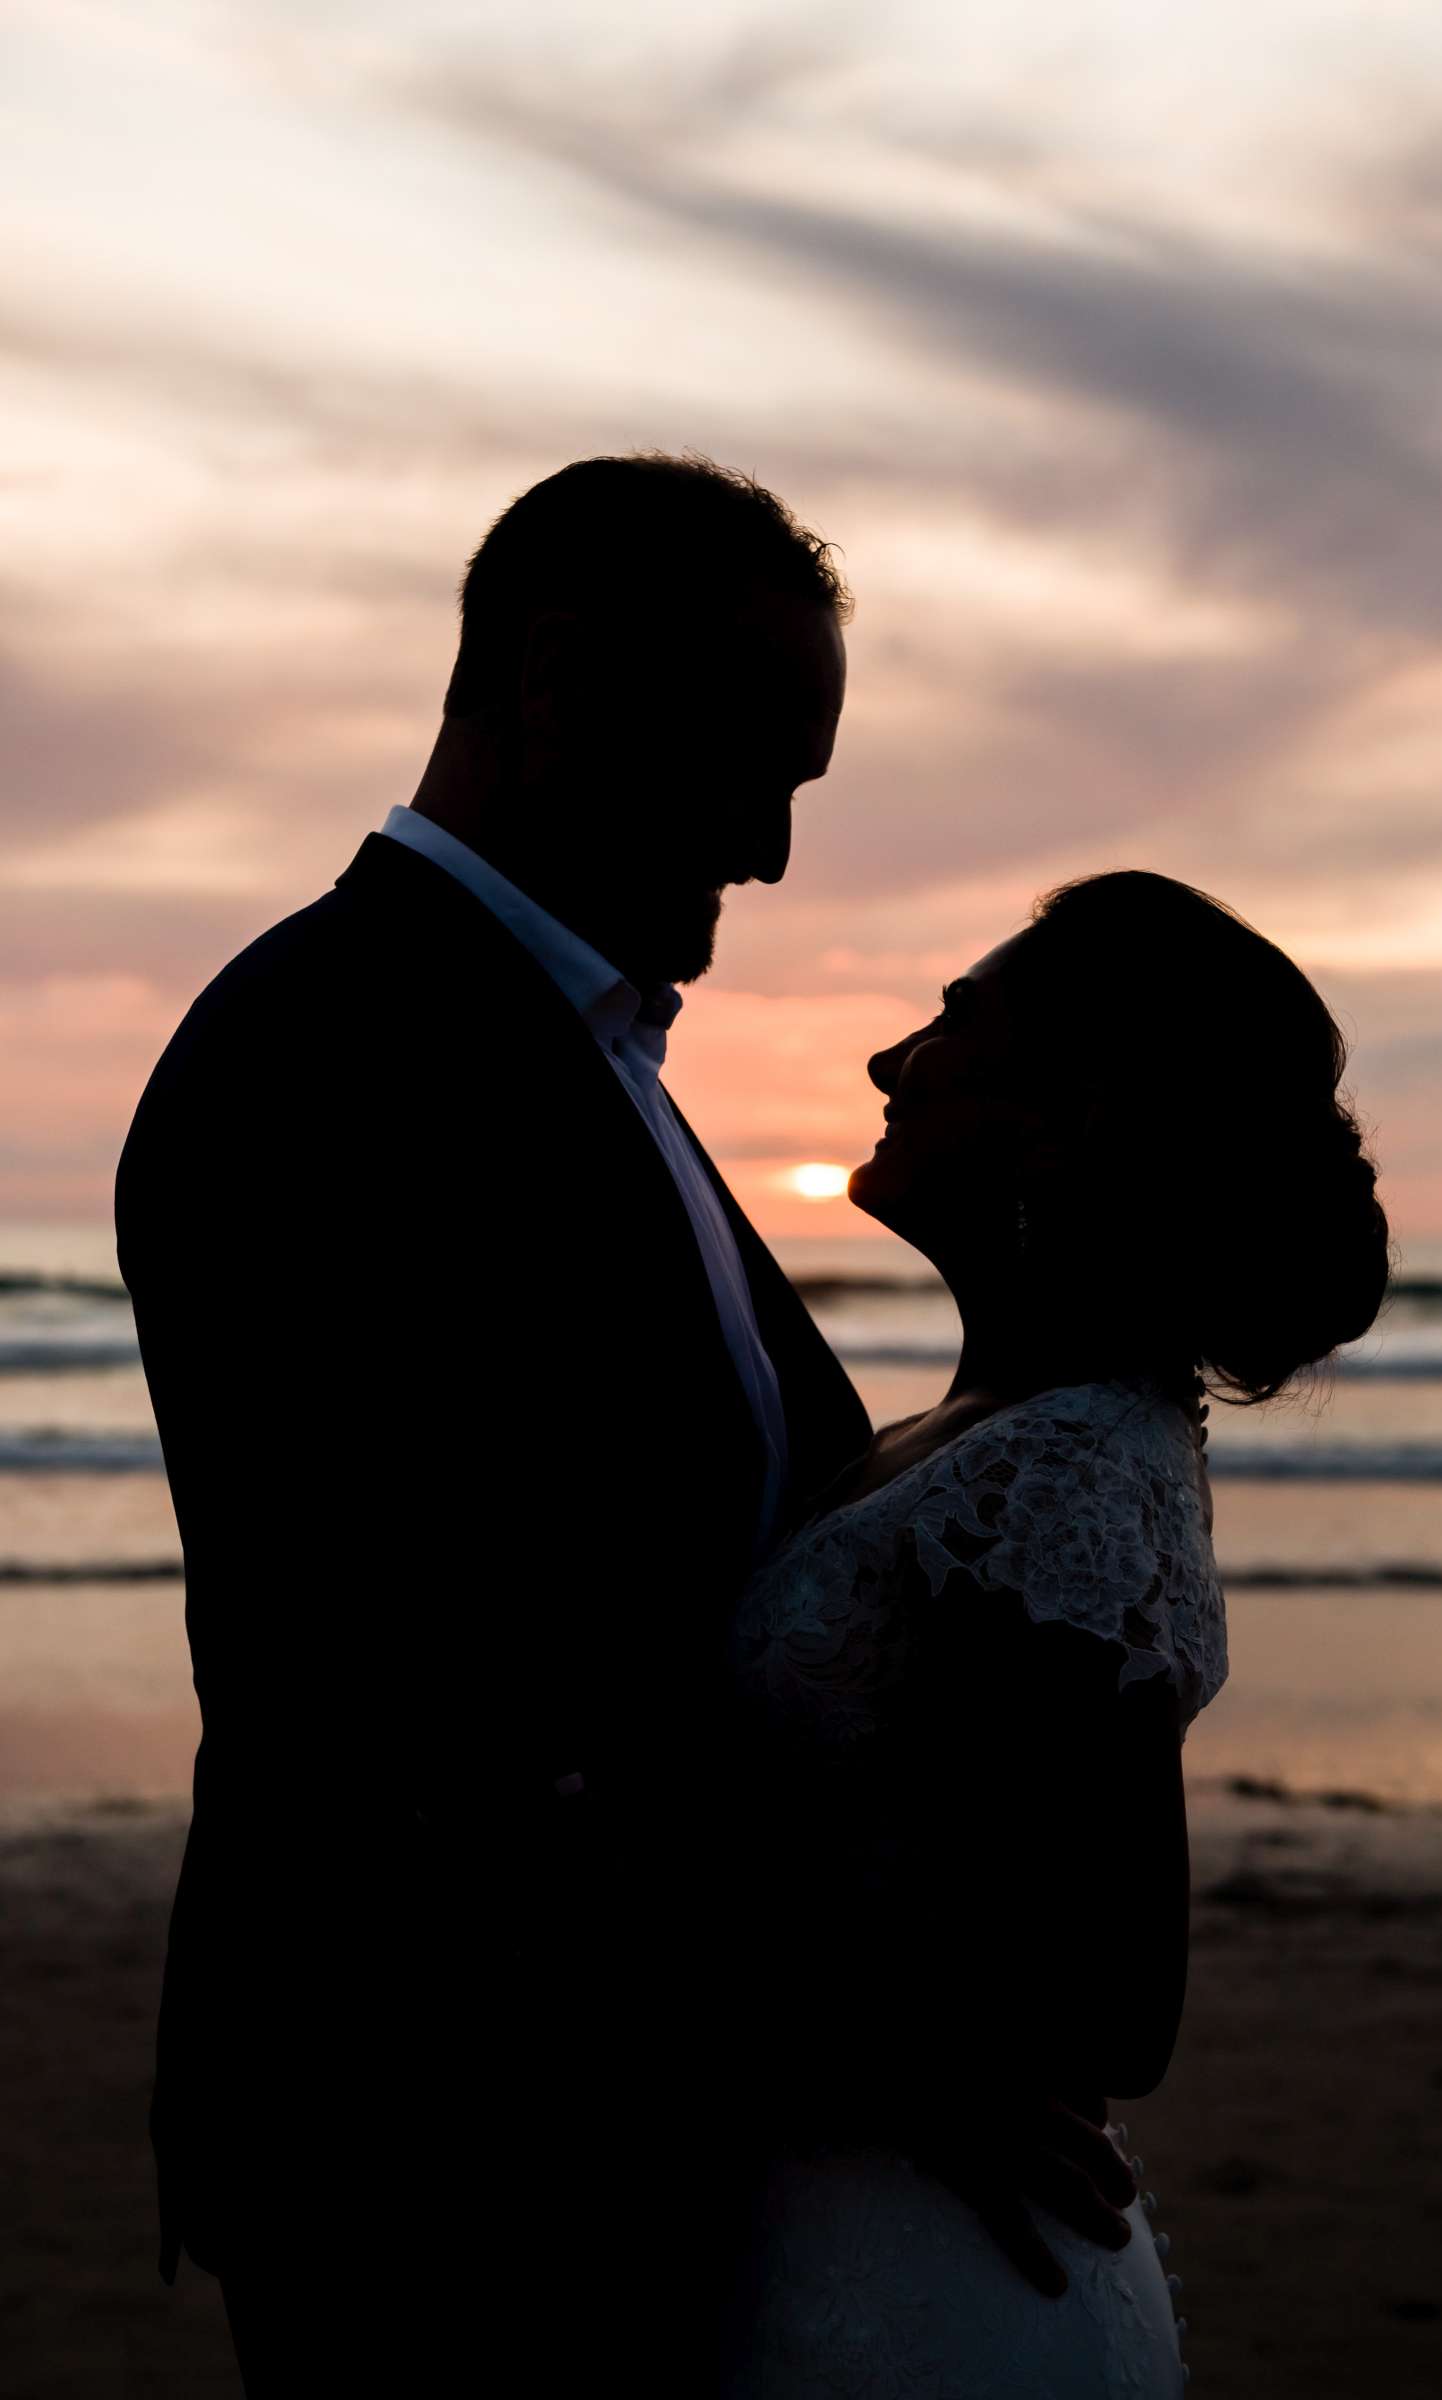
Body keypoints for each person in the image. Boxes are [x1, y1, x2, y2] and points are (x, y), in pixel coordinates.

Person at [114, 453, 1137, 2392]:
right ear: (559, 678)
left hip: (631, 2108)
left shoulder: (583, 1059)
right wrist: (875, 2027)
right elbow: (412, 1701)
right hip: (439, 2128)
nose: (765, 850)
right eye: (749, 763)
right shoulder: (334, 1053)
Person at [720, 869, 1391, 2394]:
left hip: (920, 2270)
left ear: (1072, 1111)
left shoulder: (1066, 1463)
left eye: (951, 1023)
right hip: (839, 2217)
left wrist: (768, 2016)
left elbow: (1106, 1997)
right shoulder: (976, 1430)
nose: (891, 1064)